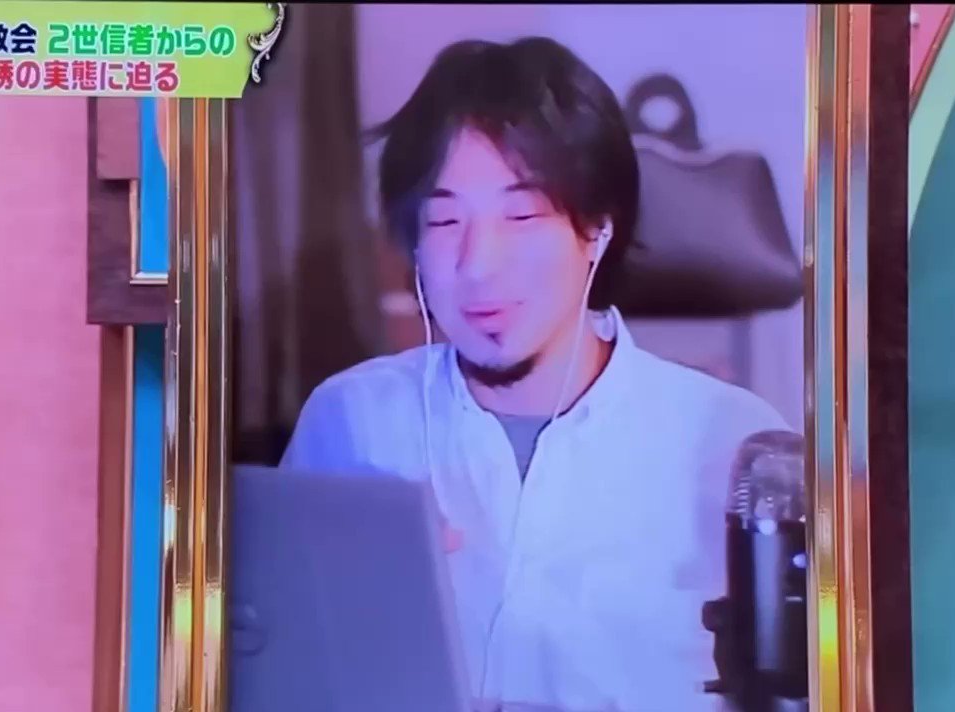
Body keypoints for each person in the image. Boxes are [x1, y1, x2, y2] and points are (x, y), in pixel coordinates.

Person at [281, 37, 788, 712]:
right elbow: (278, 662)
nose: (478, 265)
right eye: (443, 219)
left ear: (597, 228)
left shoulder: (735, 446)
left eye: (521, 216)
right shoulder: (353, 423)